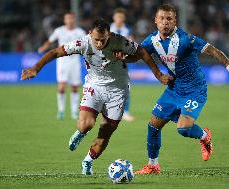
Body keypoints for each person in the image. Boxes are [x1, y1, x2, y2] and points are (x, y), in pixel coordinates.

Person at [21, 19, 173, 175]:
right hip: (95, 86)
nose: (99, 43)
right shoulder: (82, 44)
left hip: (118, 91)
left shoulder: (120, 41)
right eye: (96, 40)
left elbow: (141, 52)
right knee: (85, 125)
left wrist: (159, 75)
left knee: (105, 133)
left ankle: (88, 160)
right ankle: (81, 133)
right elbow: (55, 52)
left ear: (109, 35)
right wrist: (35, 68)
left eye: (103, 40)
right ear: (90, 34)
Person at [120, 4, 229, 174]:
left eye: (169, 19)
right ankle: (153, 165)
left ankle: (204, 136)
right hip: (174, 88)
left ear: (175, 21)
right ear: (155, 21)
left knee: (184, 128)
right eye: (162, 19)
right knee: (153, 126)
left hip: (195, 89)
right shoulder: (151, 41)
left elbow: (214, 51)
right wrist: (121, 57)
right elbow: (137, 56)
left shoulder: (186, 39)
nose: (165, 22)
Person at [38, 13, 86, 120]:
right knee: (62, 86)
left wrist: (87, 59)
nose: (69, 20)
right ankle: (61, 111)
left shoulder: (80, 32)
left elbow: (86, 46)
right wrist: (43, 48)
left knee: (74, 87)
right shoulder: (59, 31)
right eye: (67, 19)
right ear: (64, 20)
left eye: (71, 18)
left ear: (74, 20)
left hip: (74, 62)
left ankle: (74, 112)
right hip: (62, 62)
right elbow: (50, 41)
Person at [110, 8, 135, 122]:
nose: (119, 19)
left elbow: (132, 44)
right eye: (117, 17)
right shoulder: (108, 29)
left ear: (123, 18)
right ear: (114, 18)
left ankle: (125, 112)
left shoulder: (127, 30)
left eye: (121, 17)